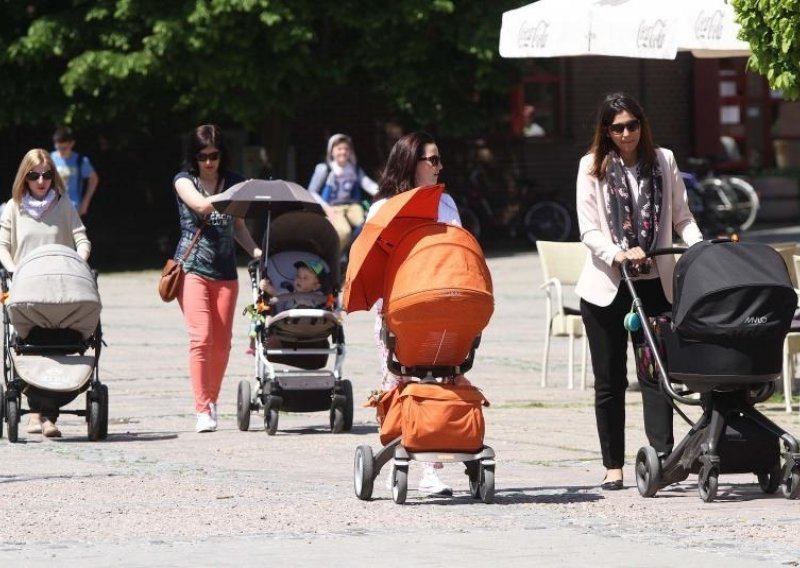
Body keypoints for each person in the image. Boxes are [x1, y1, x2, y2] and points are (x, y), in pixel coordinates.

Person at [575, 92, 704, 490]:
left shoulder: (663, 160)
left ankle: (661, 458)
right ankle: (612, 465)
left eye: (633, 125)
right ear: (606, 131)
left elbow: (681, 216)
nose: (627, 133)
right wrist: (617, 254)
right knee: (610, 379)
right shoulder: (591, 167)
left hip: (654, 285)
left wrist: (699, 247)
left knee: (656, 374)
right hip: (608, 287)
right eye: (618, 128)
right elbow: (588, 228)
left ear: (642, 125)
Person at [369, 131, 462, 497]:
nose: (439, 167)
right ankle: (402, 460)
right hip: (396, 308)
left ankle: (430, 468)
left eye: (440, 160)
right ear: (412, 163)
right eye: (433, 160)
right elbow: (370, 259)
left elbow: (458, 247)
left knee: (439, 384)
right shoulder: (383, 208)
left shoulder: (447, 203)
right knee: (400, 384)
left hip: (440, 305)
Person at [172, 124, 262, 433]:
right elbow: (200, 205)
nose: (209, 162)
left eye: (214, 155)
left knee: (222, 345)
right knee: (202, 338)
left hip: (225, 272)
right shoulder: (185, 181)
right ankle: (201, 409)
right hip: (192, 268)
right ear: (194, 157)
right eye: (202, 156)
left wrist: (256, 251)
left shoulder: (233, 181)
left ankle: (211, 400)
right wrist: (235, 193)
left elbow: (237, 226)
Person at [0, 149, 92, 438]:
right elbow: (2, 245)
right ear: (24, 177)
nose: (41, 181)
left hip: (60, 290)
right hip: (25, 290)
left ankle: (47, 415)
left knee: (60, 347)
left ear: (54, 177)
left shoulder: (64, 205)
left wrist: (80, 260)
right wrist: (14, 269)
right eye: (34, 175)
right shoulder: (14, 207)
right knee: (30, 346)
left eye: (47, 175)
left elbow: (81, 238)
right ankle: (37, 412)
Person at [307, 133, 378, 252]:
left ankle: (352, 253)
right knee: (343, 231)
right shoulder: (325, 168)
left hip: (352, 205)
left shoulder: (353, 169)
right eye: (339, 149)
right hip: (332, 206)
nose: (343, 152)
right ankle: (334, 256)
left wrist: (386, 192)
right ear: (331, 151)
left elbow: (368, 185)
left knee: (367, 225)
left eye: (346, 149)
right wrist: (325, 208)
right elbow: (311, 191)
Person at [51, 127, 100, 217]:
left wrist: (85, 202)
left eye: (64, 148)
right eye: (58, 147)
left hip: (73, 208)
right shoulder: (49, 159)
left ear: (72, 144)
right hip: (51, 208)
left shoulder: (80, 161)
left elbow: (94, 179)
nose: (61, 151)